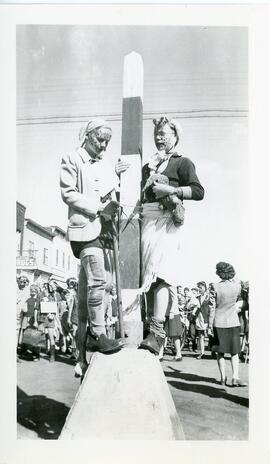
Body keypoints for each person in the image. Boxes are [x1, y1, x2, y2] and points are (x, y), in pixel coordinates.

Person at [60, 118, 129, 376]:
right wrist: (99, 207)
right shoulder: (72, 158)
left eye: (107, 142)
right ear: (87, 136)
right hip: (84, 231)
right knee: (98, 280)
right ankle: (97, 333)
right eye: (100, 140)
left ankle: (83, 353)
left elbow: (109, 192)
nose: (104, 145)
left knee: (93, 289)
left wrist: (118, 176)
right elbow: (68, 193)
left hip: (104, 232)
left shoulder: (104, 165)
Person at [138, 115, 204, 355]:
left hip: (169, 222)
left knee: (163, 274)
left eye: (164, 133)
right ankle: (148, 328)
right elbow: (137, 193)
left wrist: (172, 190)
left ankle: (156, 334)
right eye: (157, 133)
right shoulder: (148, 166)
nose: (159, 137)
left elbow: (198, 191)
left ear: (175, 137)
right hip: (147, 220)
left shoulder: (183, 162)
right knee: (148, 278)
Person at [208, 262, 247, 387]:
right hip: (233, 321)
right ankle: (235, 378)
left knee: (220, 352)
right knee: (234, 352)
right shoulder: (238, 286)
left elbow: (212, 308)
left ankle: (222, 378)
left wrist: (209, 325)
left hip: (218, 322)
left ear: (219, 273)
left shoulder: (214, 287)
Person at [194, 281, 214, 360]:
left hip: (208, 318)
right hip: (199, 318)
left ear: (205, 288)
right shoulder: (197, 298)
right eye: (198, 288)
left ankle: (213, 351)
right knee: (201, 335)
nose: (199, 289)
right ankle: (202, 352)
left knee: (211, 335)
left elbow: (212, 308)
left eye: (201, 287)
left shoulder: (209, 297)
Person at [16, 275, 30, 356]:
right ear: (18, 281)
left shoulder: (26, 292)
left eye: (25, 282)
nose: (23, 283)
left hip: (19, 316)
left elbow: (25, 308)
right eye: (21, 281)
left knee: (17, 333)